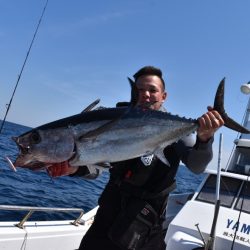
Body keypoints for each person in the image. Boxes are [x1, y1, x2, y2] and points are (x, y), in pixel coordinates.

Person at [47, 66, 224, 250]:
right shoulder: (117, 123)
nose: (146, 94)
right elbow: (96, 168)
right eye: (140, 90)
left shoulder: (175, 128)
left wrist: (204, 139)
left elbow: (197, 166)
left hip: (146, 229)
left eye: (152, 90)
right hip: (106, 220)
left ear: (164, 96)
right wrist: (74, 168)